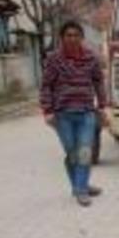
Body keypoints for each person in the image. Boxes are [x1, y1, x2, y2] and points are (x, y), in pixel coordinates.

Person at [40, 21, 107, 207]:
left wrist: (102, 105)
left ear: (81, 38)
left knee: (85, 152)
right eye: (68, 35)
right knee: (72, 154)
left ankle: (81, 190)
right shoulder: (54, 59)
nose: (72, 38)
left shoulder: (91, 58)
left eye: (76, 35)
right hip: (63, 115)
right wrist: (47, 110)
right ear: (62, 38)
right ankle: (81, 184)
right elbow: (46, 86)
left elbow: (98, 82)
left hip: (86, 113)